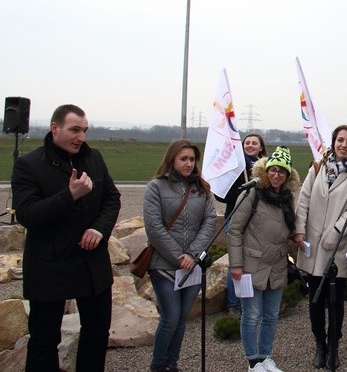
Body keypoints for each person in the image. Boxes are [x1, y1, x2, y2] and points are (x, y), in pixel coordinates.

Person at [12, 104, 121, 371]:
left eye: (84, 130)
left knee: (97, 335)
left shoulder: (93, 158)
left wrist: (99, 229)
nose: (80, 137)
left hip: (91, 264)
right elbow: (28, 214)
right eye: (74, 130)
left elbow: (111, 199)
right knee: (44, 340)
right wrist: (69, 195)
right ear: (55, 128)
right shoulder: (29, 165)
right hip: (50, 265)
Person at [294, 124, 347, 370]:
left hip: (337, 244)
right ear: (333, 142)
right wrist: (300, 230)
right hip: (313, 245)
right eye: (340, 140)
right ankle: (320, 344)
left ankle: (334, 346)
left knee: (335, 300)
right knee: (315, 300)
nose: (344, 145)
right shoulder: (318, 167)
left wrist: (336, 231)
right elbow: (304, 199)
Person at [143, 139, 217, 372]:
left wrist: (192, 254)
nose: (188, 164)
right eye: (183, 159)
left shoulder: (202, 189)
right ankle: (158, 366)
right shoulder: (156, 187)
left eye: (192, 159)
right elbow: (154, 227)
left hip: (191, 266)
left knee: (182, 320)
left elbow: (209, 221)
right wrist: (179, 256)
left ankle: (172, 364)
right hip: (163, 265)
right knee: (170, 317)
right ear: (172, 159)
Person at [228, 146, 300, 372]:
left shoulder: (287, 199)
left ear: (288, 175)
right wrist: (236, 264)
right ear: (266, 170)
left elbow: (289, 228)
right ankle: (253, 361)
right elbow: (235, 229)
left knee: (270, 315)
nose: (276, 175)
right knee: (251, 315)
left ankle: (265, 356)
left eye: (282, 172)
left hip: (277, 265)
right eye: (273, 170)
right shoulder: (252, 193)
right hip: (251, 264)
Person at [218, 133, 268, 316]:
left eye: (254, 143)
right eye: (247, 142)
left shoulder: (267, 168)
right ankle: (234, 304)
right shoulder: (236, 167)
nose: (250, 145)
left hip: (258, 222)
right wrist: (244, 192)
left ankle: (252, 300)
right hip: (235, 218)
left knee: (255, 261)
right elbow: (221, 194)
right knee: (236, 262)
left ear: (261, 147)